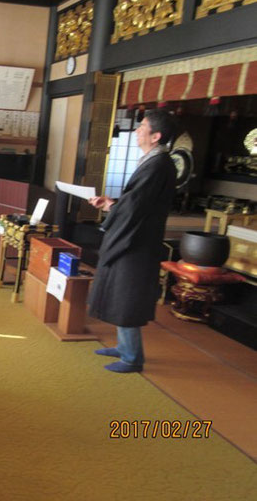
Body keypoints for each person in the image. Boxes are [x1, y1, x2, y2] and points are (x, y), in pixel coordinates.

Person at [87, 109, 177, 373]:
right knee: (118, 291)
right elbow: (134, 202)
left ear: (156, 135)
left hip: (138, 242)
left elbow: (136, 207)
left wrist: (112, 209)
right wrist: (111, 204)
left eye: (143, 127)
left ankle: (132, 358)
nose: (138, 130)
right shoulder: (152, 161)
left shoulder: (159, 164)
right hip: (133, 236)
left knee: (127, 295)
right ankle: (123, 346)